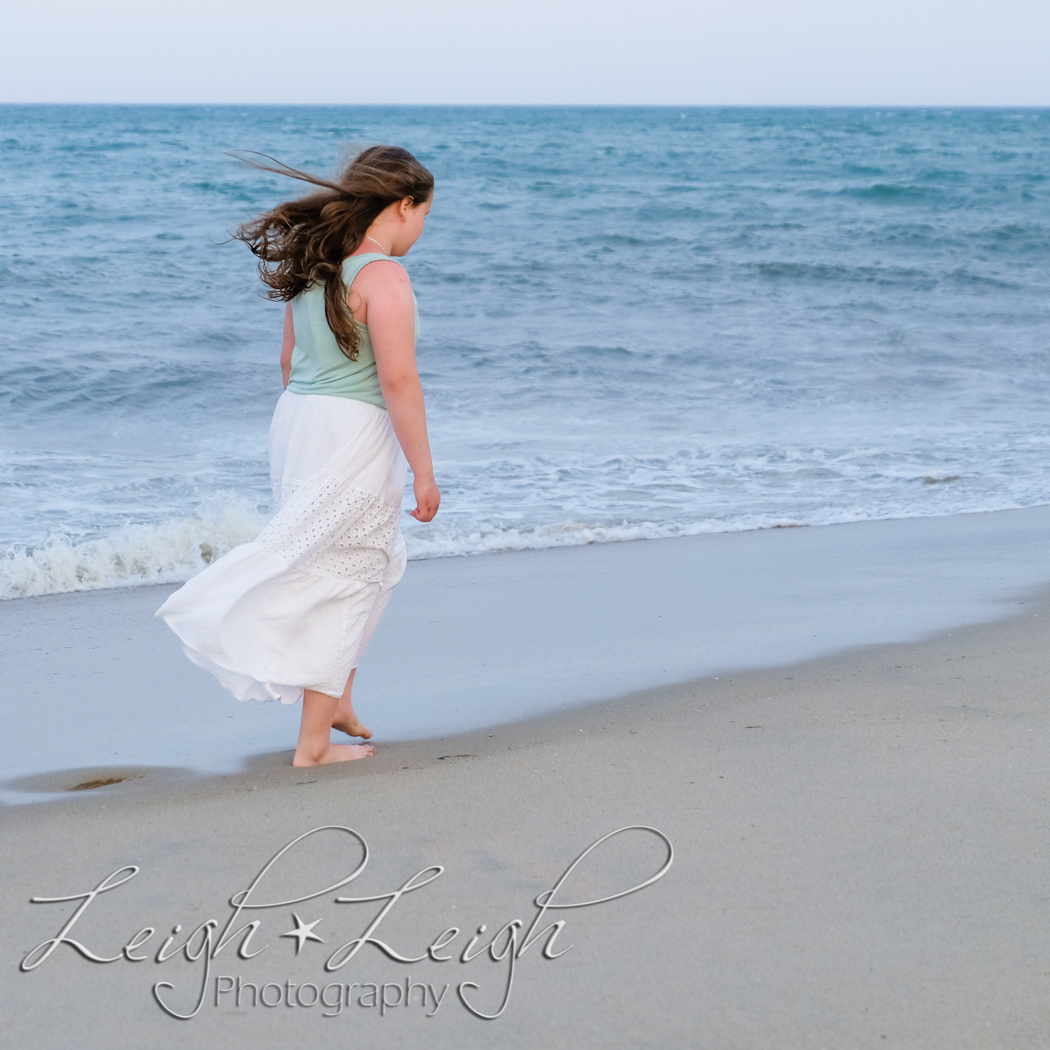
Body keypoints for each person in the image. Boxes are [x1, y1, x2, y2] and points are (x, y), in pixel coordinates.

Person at [157, 145, 439, 767]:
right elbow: (398, 380)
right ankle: (312, 746)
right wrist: (423, 469)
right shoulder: (384, 276)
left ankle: (334, 698)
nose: (422, 231)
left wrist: (315, 422)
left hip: (299, 420)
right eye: (425, 215)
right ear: (403, 205)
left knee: (375, 561)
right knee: (340, 572)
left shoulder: (318, 264)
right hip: (352, 426)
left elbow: (288, 362)